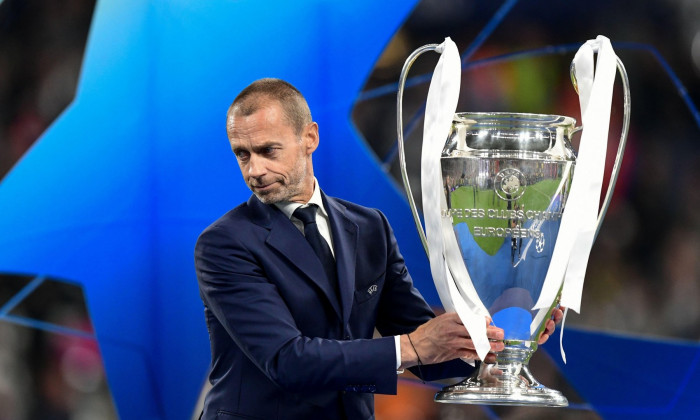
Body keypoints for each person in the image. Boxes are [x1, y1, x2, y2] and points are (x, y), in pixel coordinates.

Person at [194, 78, 561, 420]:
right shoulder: (224, 244)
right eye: (242, 154)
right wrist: (413, 346)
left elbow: (423, 343)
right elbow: (287, 361)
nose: (254, 169)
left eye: (267, 151)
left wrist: (497, 345)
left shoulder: (370, 227)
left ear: (309, 137)